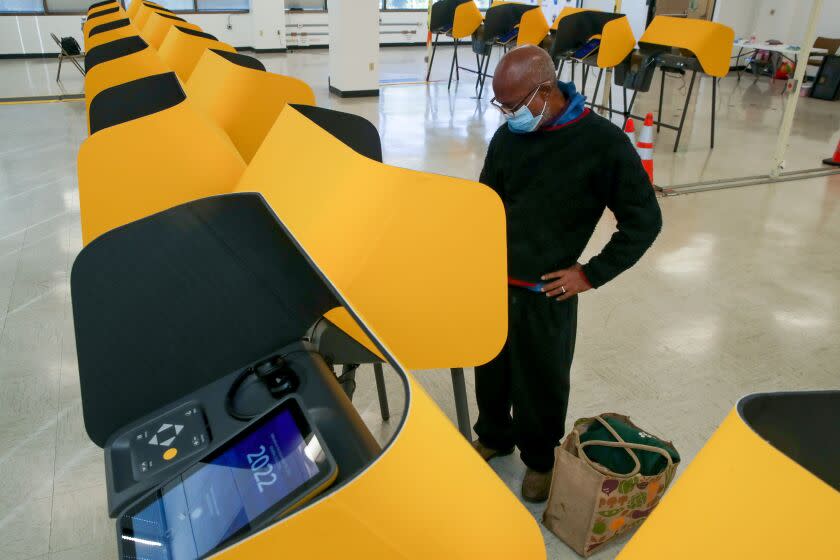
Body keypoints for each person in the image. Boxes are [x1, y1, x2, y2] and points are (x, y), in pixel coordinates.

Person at [472, 45, 663, 502]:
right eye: (501, 105)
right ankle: (495, 436)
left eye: (514, 105)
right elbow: (486, 203)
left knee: (542, 379)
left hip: (547, 291)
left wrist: (591, 274)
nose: (508, 114)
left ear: (546, 90)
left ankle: (539, 458)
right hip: (494, 283)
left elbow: (644, 220)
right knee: (491, 368)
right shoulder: (508, 137)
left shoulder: (602, 144)